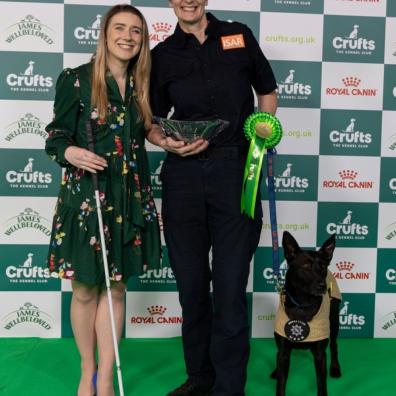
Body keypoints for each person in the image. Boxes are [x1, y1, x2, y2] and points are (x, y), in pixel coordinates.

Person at [146, 1, 278, 395]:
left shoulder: (239, 35)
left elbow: (267, 91)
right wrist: (165, 142)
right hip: (182, 177)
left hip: (238, 172)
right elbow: (149, 120)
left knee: (230, 286)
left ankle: (229, 386)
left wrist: (264, 130)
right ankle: (200, 378)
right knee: (190, 286)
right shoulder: (161, 55)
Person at [45, 5, 160, 396]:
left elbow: (147, 132)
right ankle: (87, 369)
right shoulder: (76, 80)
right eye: (120, 29)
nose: (128, 36)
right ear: (105, 33)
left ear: (143, 40)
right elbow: (55, 136)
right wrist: (71, 153)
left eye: (136, 31)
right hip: (87, 198)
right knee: (84, 290)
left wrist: (171, 140)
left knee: (116, 289)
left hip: (129, 198)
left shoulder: (143, 84)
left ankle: (107, 378)